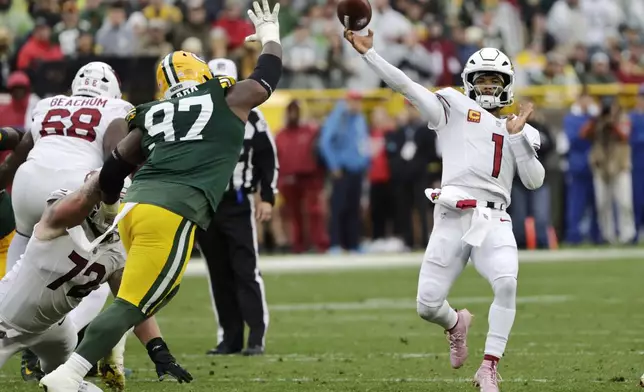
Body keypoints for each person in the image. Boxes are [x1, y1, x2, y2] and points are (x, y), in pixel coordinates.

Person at [40, 1, 282, 389]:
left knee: (141, 295)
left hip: (135, 209)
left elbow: (117, 162)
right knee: (133, 302)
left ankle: (108, 360)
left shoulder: (153, 111)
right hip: (172, 209)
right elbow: (267, 78)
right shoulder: (226, 97)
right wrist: (270, 37)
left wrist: (109, 204)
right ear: (202, 71)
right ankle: (67, 374)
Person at [344, 27, 544, 391]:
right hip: (451, 215)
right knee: (427, 306)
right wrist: (369, 55)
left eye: (493, 81)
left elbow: (533, 181)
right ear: (469, 83)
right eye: (480, 81)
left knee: (507, 283)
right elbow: (406, 86)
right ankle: (455, 324)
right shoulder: (452, 107)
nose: (486, 87)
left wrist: (517, 140)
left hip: (493, 218)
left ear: (507, 84)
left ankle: (488, 367)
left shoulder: (521, 130)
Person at [0, 62, 133, 382]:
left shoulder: (49, 103)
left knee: (19, 262)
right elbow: (115, 156)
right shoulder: (117, 107)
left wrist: (1, 178)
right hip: (72, 188)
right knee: (97, 275)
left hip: (27, 185)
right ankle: (48, 343)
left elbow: (20, 152)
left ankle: (11, 326)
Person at [0, 172, 191, 390]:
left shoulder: (118, 248)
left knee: (64, 382)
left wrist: (159, 350)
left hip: (56, 328)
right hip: (6, 322)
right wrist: (106, 178)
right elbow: (71, 206)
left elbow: (131, 302)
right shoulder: (63, 216)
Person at [200, 58, 278, 356]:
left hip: (238, 202)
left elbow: (267, 159)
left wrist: (267, 196)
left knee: (246, 271)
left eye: (227, 84)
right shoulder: (199, 114)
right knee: (218, 273)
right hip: (207, 204)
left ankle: (255, 337)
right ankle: (229, 339)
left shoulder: (254, 119)